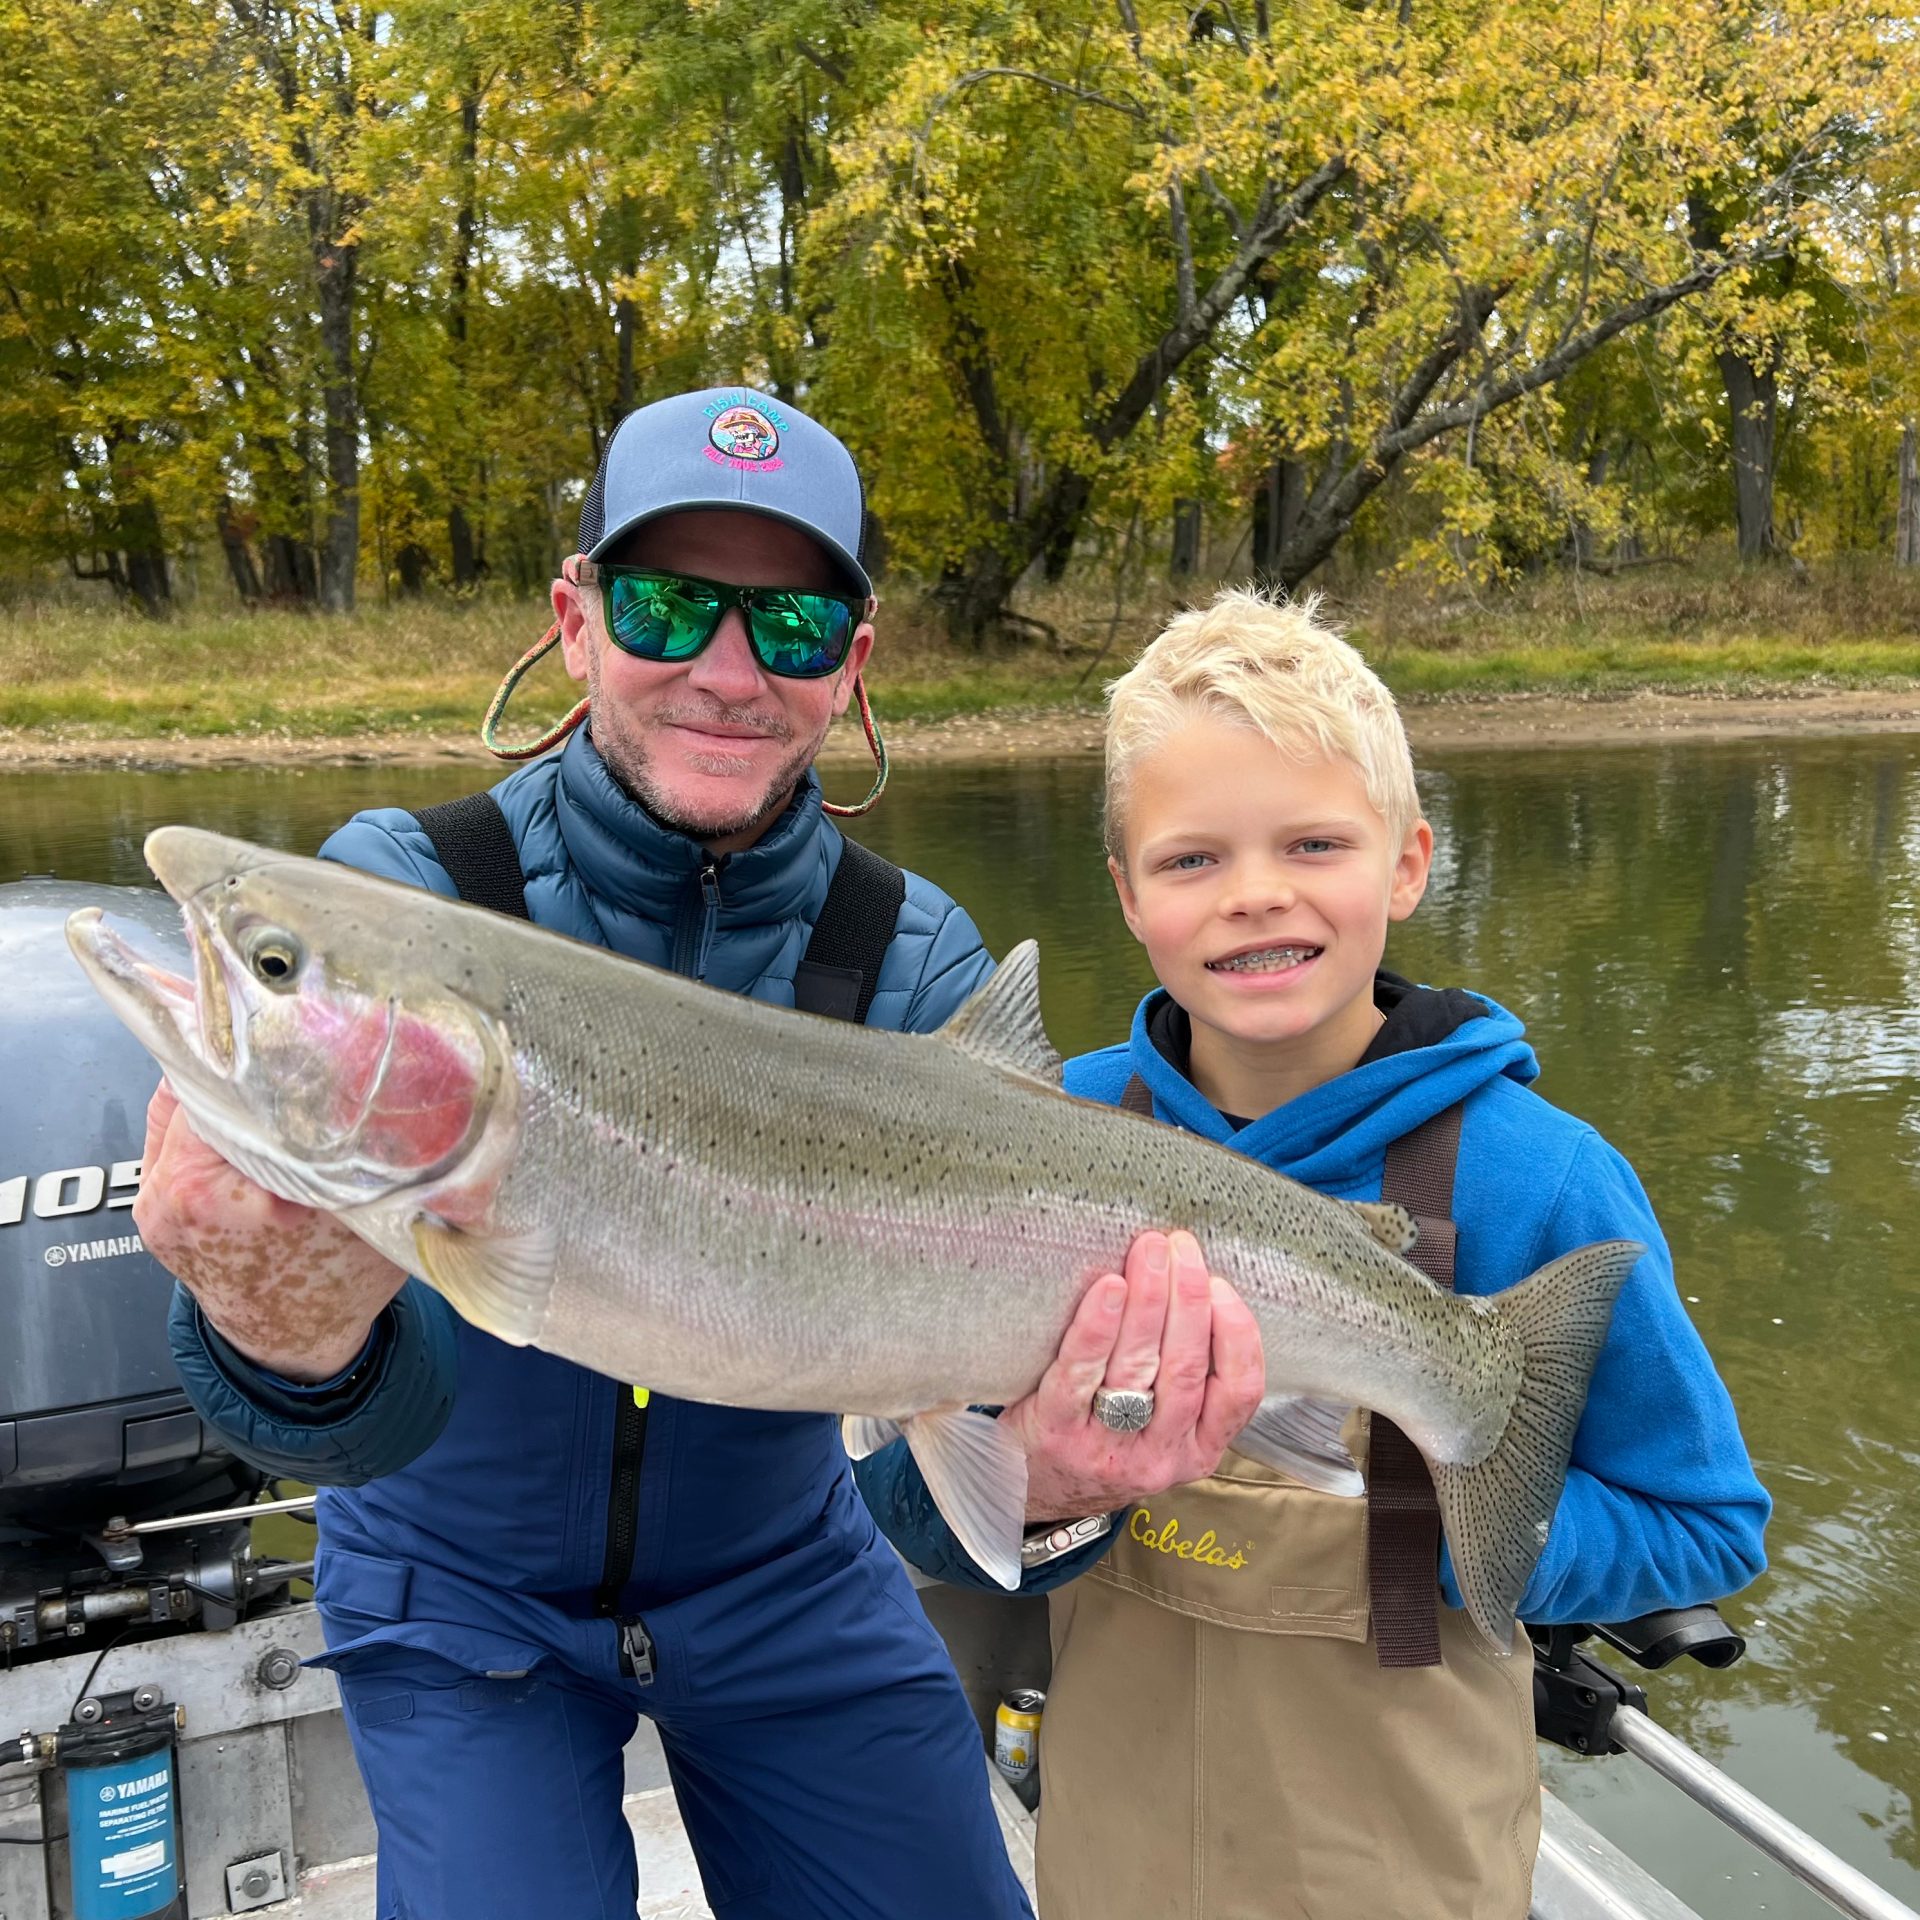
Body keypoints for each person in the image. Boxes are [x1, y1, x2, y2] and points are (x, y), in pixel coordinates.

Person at [134, 386, 1260, 1920]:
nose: (727, 672)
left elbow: (935, 1497)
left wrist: (1059, 1482)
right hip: (453, 1592)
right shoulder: (410, 894)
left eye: (789, 627)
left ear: (850, 666)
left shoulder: (911, 957)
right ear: (578, 616)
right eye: (669, 604)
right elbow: (340, 1440)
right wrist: (278, 1332)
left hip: (789, 1574)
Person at [856, 588, 1773, 1920]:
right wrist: (1039, 1483)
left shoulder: (1543, 1182)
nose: (1256, 897)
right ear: (1126, 893)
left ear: (1408, 862)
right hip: (1107, 1861)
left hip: (1404, 1874)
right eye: (1192, 860)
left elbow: (1704, 1523)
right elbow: (907, 1508)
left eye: (1314, 843)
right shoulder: (1041, 1130)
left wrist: (1449, 1545)